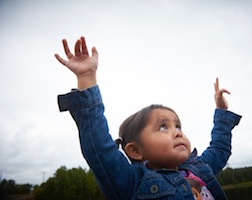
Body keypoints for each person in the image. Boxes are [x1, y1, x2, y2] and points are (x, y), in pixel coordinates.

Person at [55, 36, 241, 200]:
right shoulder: (133, 183)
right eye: (163, 127)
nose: (177, 133)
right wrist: (87, 78)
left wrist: (221, 112)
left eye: (178, 126)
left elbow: (220, 148)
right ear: (135, 150)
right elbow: (99, 149)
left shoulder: (199, 168)